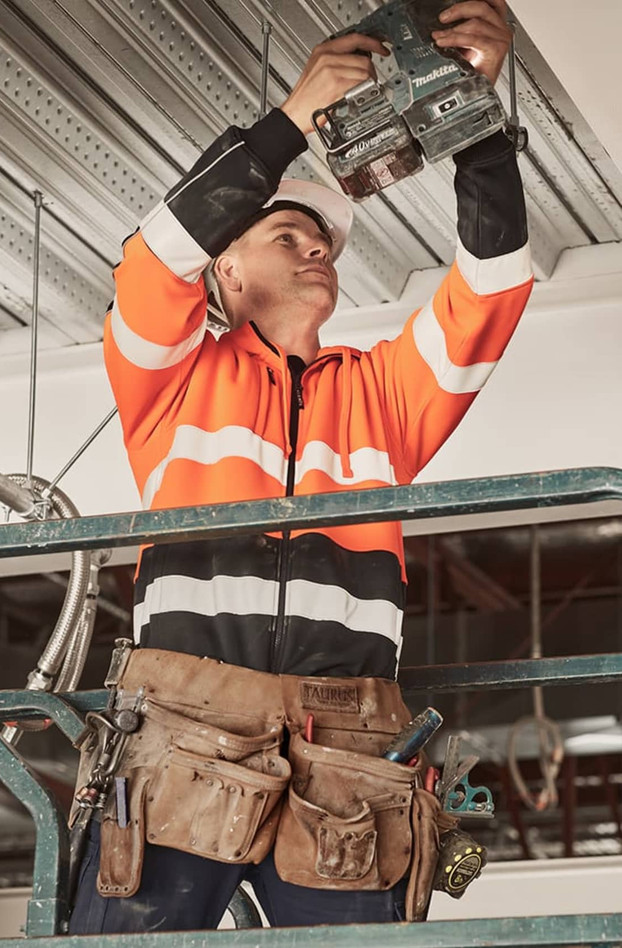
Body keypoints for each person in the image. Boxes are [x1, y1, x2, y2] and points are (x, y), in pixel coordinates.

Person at [69, 0, 533, 934]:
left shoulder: (384, 394)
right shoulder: (167, 376)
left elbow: (492, 289)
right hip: (186, 727)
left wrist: (474, 120)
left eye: (323, 240)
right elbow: (152, 263)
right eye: (288, 235)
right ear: (226, 272)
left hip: (348, 742)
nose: (318, 245)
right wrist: (288, 124)